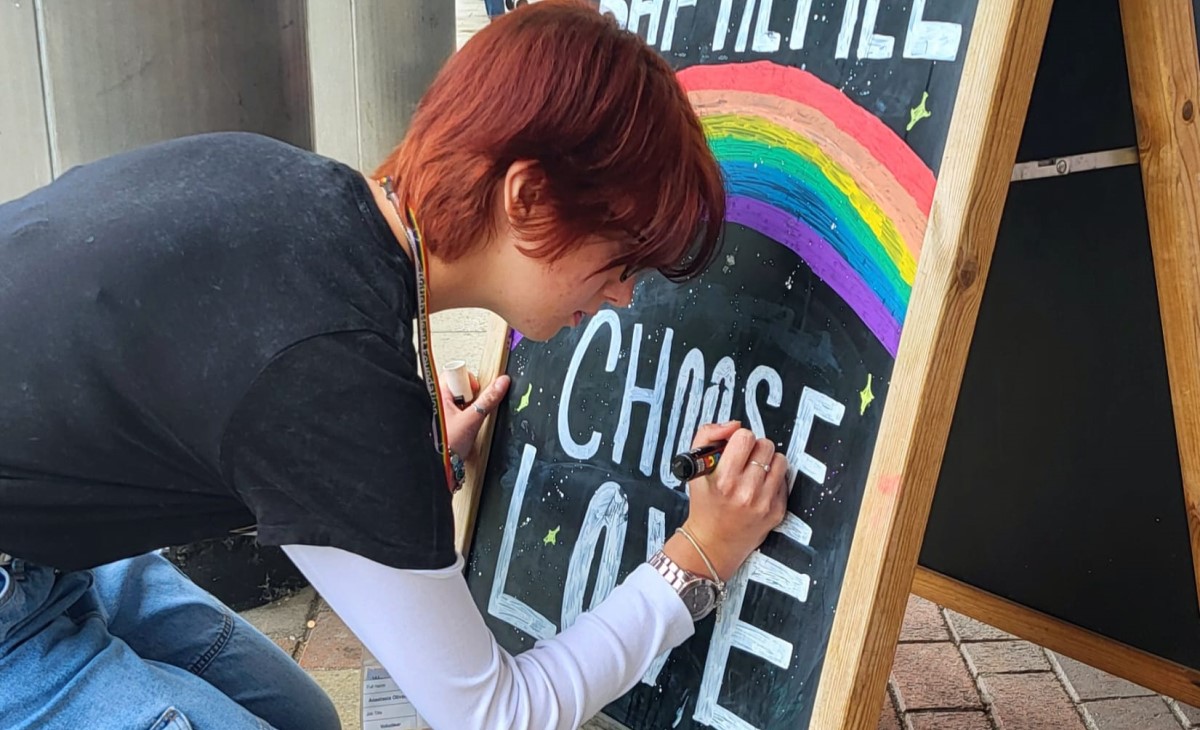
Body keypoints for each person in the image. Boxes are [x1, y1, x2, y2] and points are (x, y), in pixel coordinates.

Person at [0, 2, 789, 728]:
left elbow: (229, 388)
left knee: (304, 718)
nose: (621, 299)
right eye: (622, 262)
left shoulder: (300, 192)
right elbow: (494, 713)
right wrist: (699, 560)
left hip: (53, 543)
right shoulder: (332, 379)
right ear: (528, 197)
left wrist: (389, 469)